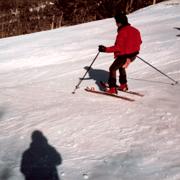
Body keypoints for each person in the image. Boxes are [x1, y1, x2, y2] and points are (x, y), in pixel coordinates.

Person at [98, 12, 142, 94]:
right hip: (133, 55)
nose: (116, 24)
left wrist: (105, 49)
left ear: (120, 22)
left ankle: (112, 88)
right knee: (121, 67)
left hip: (124, 56)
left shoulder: (122, 32)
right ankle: (123, 85)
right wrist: (132, 50)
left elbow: (118, 47)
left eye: (116, 22)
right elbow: (139, 41)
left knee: (112, 68)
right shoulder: (135, 30)